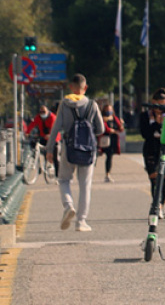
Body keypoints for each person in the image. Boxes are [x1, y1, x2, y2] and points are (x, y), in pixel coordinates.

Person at [47, 74, 106, 232]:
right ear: (85, 88)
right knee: (85, 185)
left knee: (64, 179)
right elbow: (101, 129)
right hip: (87, 150)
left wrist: (49, 149)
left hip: (68, 147)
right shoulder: (92, 104)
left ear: (71, 87)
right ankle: (81, 221)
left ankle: (68, 206)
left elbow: (56, 128)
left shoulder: (64, 104)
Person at [139, 89, 165, 218]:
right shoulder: (145, 115)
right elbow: (144, 133)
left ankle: (161, 205)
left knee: (164, 180)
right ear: (153, 102)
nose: (159, 108)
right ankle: (156, 205)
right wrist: (156, 124)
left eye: (163, 104)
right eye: (157, 104)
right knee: (154, 179)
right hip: (151, 149)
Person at [100, 103, 124, 182]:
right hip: (104, 139)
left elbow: (120, 128)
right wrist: (111, 130)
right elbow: (104, 127)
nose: (109, 111)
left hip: (113, 140)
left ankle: (107, 174)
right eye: (107, 110)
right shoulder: (102, 118)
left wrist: (121, 125)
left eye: (110, 110)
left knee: (109, 157)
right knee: (97, 156)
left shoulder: (115, 118)